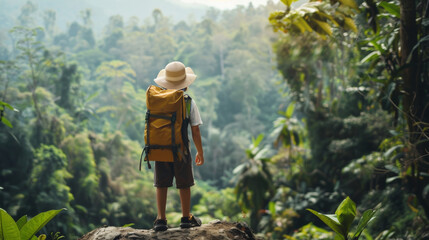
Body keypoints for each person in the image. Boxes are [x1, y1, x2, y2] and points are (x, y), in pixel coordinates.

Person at [151, 61, 204, 232]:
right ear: (185, 84)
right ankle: (185, 218)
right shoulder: (189, 102)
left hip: (161, 148)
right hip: (182, 150)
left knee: (161, 184)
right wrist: (200, 152)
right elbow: (195, 131)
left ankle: (161, 219)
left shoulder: (158, 100)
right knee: (185, 183)